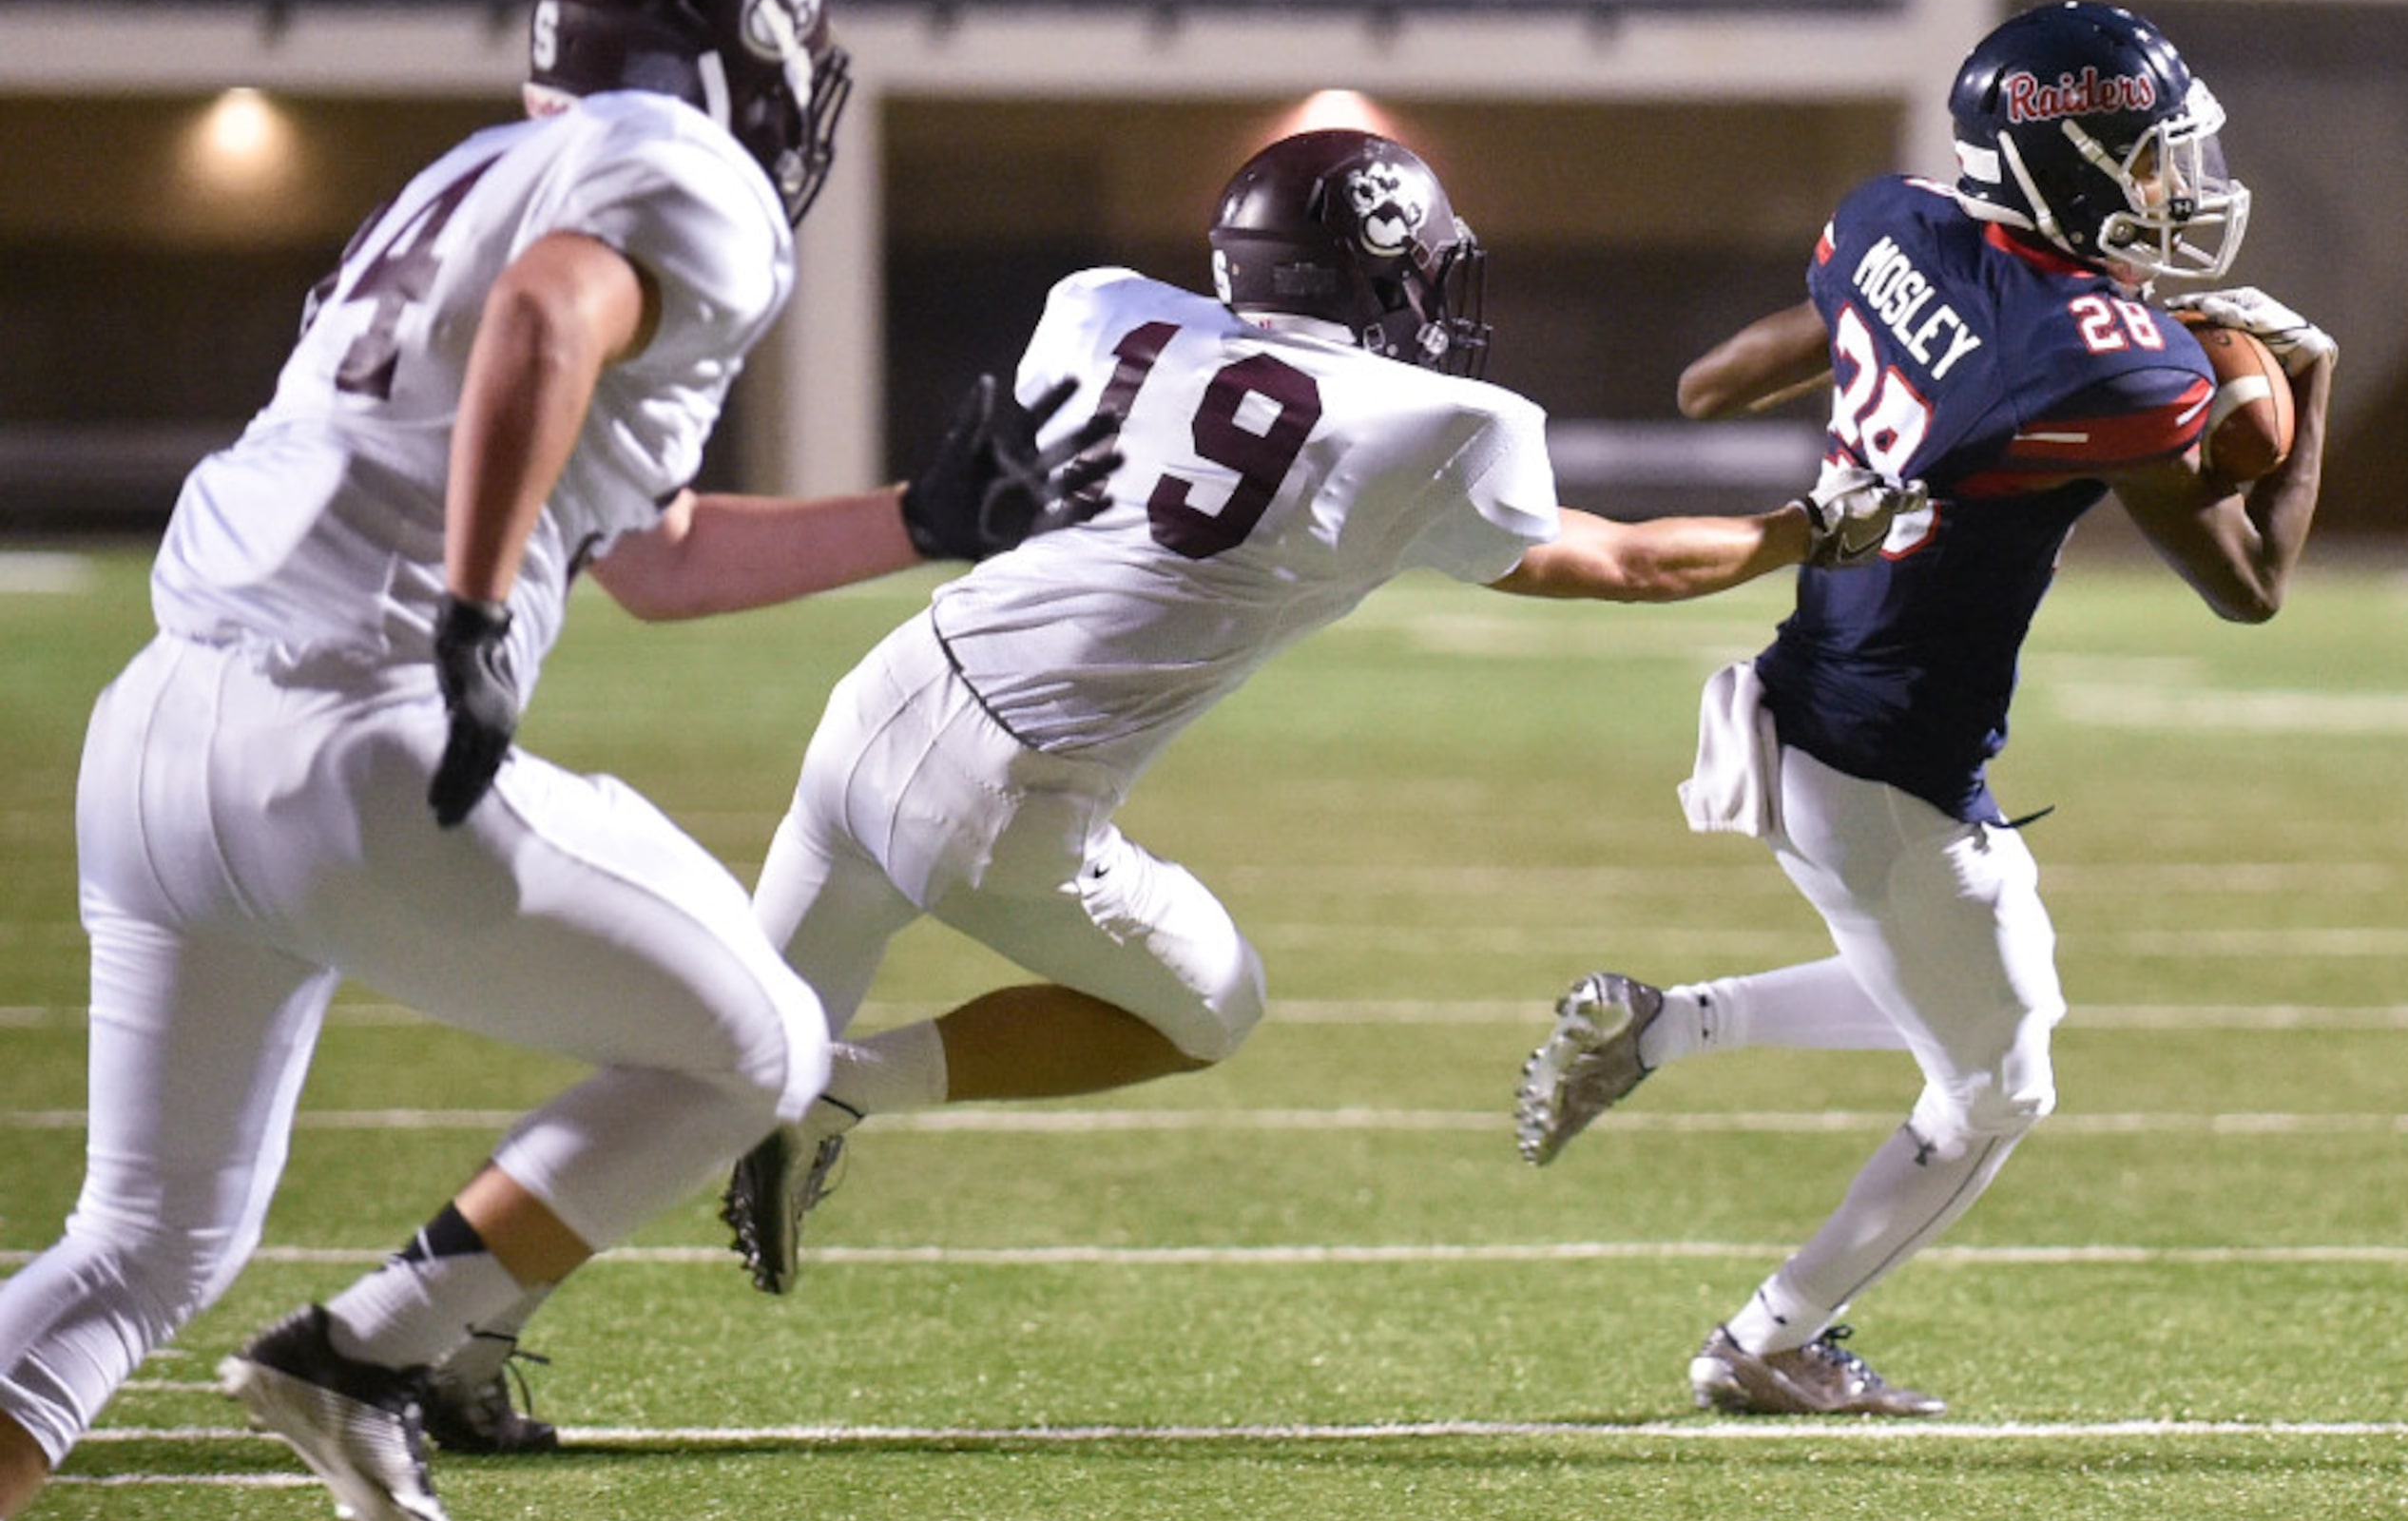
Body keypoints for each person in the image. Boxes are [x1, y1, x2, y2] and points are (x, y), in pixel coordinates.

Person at [313, 124, 1924, 1428]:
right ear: (1372, 269)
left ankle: (445, 1333)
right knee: (1208, 1007)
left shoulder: (1103, 308)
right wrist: (1819, 526)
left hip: (878, 701)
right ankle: (846, 1087)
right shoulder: (1446, 422)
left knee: (694, 1074)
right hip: (1005, 797)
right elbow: (1626, 563)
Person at [0, 0, 1108, 1521]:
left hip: (155, 735)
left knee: (141, 1241)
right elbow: (547, 320)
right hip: (356, 732)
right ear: (734, 51)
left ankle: (354, 1349)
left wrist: (919, 517)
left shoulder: (465, 174)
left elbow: (649, 557)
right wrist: (464, 610)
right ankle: (369, 1349)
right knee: (761, 1040)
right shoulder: (691, 173)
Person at [1512, 0, 2337, 1419]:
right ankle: (1766, 1339)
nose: (2176, 190)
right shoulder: (2105, 365)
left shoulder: (1904, 227)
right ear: (2068, 168)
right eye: (2146, 163)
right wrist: (2308, 382)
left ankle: (1661, 1030)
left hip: (1811, 695)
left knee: (1977, 1001)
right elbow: (2253, 579)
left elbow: (1712, 384)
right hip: (1890, 759)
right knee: (1998, 1090)